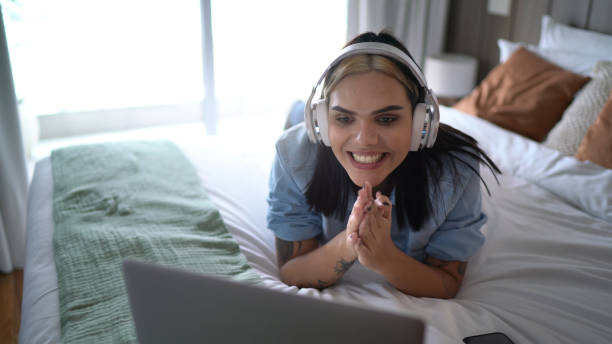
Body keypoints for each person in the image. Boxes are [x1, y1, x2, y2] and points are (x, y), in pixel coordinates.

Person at [266, 31, 500, 299]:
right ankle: (298, 110)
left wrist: (384, 258)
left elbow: (447, 283)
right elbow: (292, 271)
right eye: (344, 118)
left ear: (420, 123)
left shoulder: (457, 171)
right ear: (320, 121)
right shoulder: (292, 154)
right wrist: (350, 241)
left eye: (387, 119)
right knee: (295, 116)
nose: (365, 139)